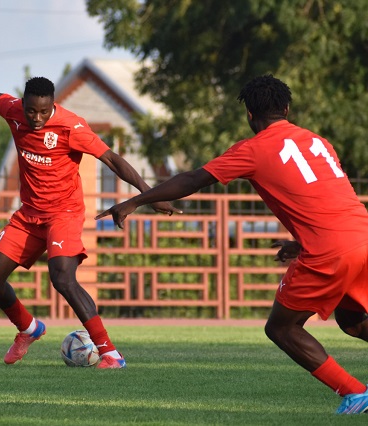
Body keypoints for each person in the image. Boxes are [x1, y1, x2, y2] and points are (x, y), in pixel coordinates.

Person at [96, 74, 368, 413]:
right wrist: (302, 243)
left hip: (331, 249)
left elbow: (194, 178)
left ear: (250, 116)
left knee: (282, 327)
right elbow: (328, 200)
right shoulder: (318, 142)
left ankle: (355, 392)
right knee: (353, 320)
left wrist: (135, 201)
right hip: (361, 234)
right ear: (287, 108)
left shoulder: (252, 149)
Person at [0, 76, 180, 369]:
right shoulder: (12, 110)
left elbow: (112, 159)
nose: (37, 118)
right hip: (29, 215)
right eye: (31, 111)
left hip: (64, 213)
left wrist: (149, 194)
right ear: (22, 104)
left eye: (44, 112)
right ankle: (28, 328)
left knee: (62, 277)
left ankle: (110, 352)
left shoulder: (72, 126)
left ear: (53, 105)